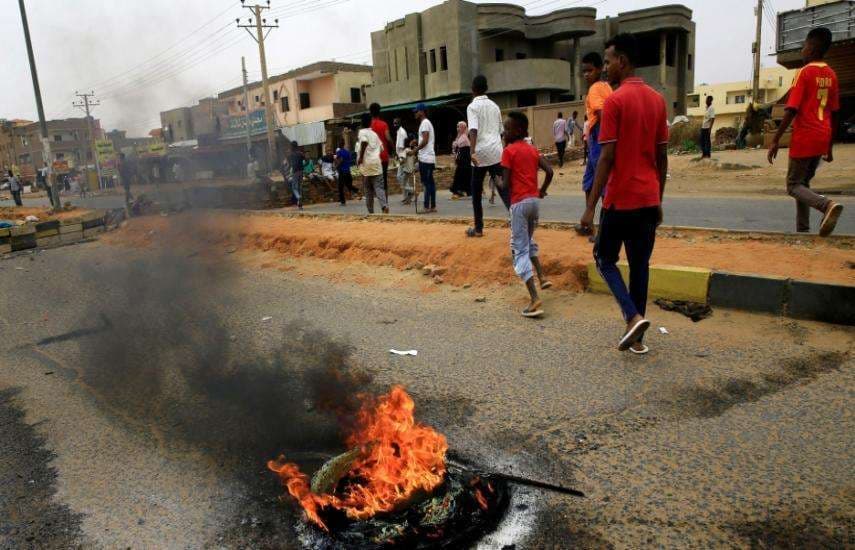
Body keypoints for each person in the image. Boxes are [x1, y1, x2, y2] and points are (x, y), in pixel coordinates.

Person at [580, 33, 670, 354]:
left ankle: (632, 317)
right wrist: (659, 199)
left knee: (604, 259)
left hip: (621, 199)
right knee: (640, 265)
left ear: (622, 61)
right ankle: (638, 340)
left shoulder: (615, 101)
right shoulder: (657, 101)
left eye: (607, 61)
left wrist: (590, 207)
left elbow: (606, 157)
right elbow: (662, 158)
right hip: (648, 198)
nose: (605, 68)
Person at [768, 27, 843, 236]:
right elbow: (835, 113)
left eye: (803, 46)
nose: (802, 50)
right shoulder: (832, 75)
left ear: (811, 48)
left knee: (793, 185)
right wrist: (829, 146)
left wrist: (775, 140)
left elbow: (791, 109)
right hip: (822, 136)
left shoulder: (804, 72)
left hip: (805, 136)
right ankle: (803, 230)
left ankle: (826, 205)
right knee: (803, 183)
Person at [500, 112, 554, 318]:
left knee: (518, 249)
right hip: (534, 203)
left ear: (520, 131)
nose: (504, 132)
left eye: (508, 128)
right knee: (528, 240)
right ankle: (541, 276)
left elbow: (505, 185)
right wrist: (541, 191)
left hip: (519, 205)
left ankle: (534, 299)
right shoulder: (532, 150)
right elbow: (549, 171)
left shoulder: (508, 152)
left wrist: (497, 183)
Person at [467, 75, 508, 237]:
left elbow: (473, 130)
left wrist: (472, 152)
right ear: (486, 88)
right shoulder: (495, 106)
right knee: (503, 189)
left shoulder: (472, 107)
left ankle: (478, 228)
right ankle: (518, 220)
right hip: (496, 152)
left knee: (476, 192)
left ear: (473, 89)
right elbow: (501, 132)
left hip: (480, 153)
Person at [580, 51, 613, 235]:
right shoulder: (606, 87)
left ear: (599, 69)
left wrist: (604, 140)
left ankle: (602, 230)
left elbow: (602, 114)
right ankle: (589, 224)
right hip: (596, 135)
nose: (586, 75)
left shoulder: (595, 89)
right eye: (584, 71)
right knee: (589, 181)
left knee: (601, 183)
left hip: (599, 135)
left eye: (589, 70)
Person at [357, 113, 388, 214]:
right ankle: (384, 206)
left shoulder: (362, 132)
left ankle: (370, 212)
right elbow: (382, 148)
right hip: (376, 164)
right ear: (370, 123)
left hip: (366, 165)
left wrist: (361, 158)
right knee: (379, 188)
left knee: (368, 190)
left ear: (361, 123)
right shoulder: (374, 134)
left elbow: (364, 142)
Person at [414, 103, 437, 213]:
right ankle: (432, 206)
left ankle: (426, 206)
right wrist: (416, 142)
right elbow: (424, 139)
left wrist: (415, 150)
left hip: (425, 158)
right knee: (430, 183)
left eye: (417, 111)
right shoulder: (426, 123)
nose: (415, 113)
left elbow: (425, 140)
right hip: (429, 157)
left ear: (422, 112)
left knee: (427, 183)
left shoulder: (424, 123)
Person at [369, 103, 393, 197]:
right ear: (379, 112)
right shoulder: (384, 124)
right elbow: (388, 138)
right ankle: (385, 203)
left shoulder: (369, 126)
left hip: (372, 158)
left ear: (370, 113)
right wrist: (393, 146)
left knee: (372, 180)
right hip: (383, 156)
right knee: (384, 180)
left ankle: (374, 203)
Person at [450, 121, 472, 199]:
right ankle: (460, 190)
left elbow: (458, 146)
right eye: (457, 127)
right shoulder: (460, 136)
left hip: (465, 158)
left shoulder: (464, 137)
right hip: (461, 158)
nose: (458, 129)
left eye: (459, 127)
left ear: (463, 128)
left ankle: (462, 191)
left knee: (463, 174)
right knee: (461, 174)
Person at [400, 139, 417, 205]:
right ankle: (408, 200)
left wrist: (400, 162)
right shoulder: (413, 152)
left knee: (403, 185)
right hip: (411, 169)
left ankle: (413, 191)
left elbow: (403, 160)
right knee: (405, 183)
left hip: (406, 170)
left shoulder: (406, 150)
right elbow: (415, 160)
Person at [394, 118, 409, 193]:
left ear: (400, 123)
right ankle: (408, 195)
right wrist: (397, 154)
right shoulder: (398, 131)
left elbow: (404, 146)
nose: (394, 125)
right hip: (400, 155)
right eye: (394, 123)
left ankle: (410, 191)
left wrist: (401, 157)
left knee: (399, 176)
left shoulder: (402, 132)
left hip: (403, 156)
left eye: (396, 123)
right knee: (404, 176)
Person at [288, 141, 305, 210]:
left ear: (292, 146)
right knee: (299, 187)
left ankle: (298, 197)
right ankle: (300, 205)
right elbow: (305, 160)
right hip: (301, 171)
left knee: (294, 187)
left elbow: (291, 164)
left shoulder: (291, 154)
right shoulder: (300, 153)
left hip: (295, 172)